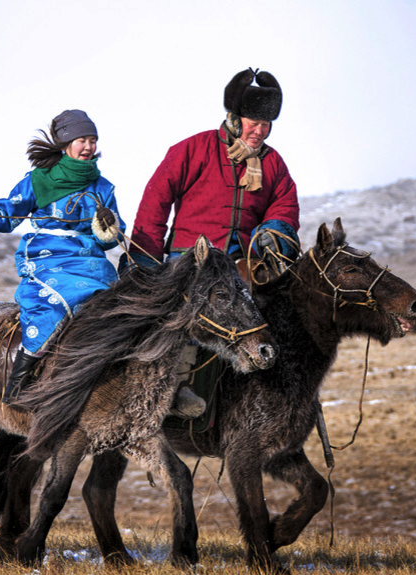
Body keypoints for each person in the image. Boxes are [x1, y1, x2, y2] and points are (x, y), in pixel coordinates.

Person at [126, 68, 301, 417]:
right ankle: (179, 386)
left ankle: (270, 390)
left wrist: (275, 229)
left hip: (241, 260)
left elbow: (285, 203)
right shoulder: (193, 149)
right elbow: (156, 199)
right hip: (189, 256)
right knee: (192, 313)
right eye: (254, 121)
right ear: (235, 118)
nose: (260, 131)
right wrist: (145, 256)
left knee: (279, 310)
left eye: (267, 124)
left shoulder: (272, 163)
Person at [0, 109, 125, 404]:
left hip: (91, 262)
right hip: (47, 257)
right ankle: (17, 382)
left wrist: (108, 228)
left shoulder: (103, 188)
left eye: (93, 140)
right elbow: (4, 216)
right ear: (65, 143)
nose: (89, 146)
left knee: (117, 312)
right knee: (54, 308)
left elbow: (110, 239)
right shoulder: (38, 181)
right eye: (82, 139)